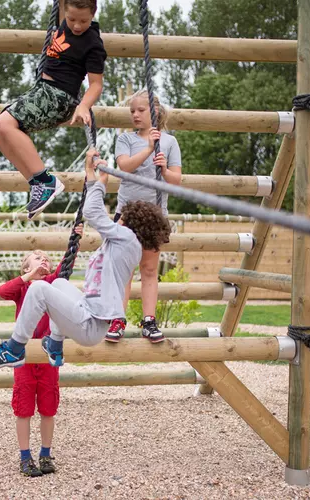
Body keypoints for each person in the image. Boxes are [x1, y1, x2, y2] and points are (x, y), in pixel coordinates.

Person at [0, 148, 171, 369]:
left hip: (90, 326)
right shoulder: (124, 242)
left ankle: (14, 349)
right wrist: (92, 177)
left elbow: (92, 212)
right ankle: (55, 345)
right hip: (89, 314)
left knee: (38, 289)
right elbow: (94, 212)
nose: (116, 220)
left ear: (129, 224)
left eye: (121, 218)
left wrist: (99, 183)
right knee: (58, 283)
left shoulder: (126, 238)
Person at [0, 0, 106, 219]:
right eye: (71, 19)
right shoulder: (63, 22)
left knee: (5, 124)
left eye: (84, 21)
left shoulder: (92, 44)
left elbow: (96, 84)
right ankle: (37, 184)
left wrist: (84, 106)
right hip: (42, 90)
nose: (77, 26)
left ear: (93, 14)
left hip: (59, 96)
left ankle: (46, 182)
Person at [0, 225, 83, 477]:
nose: (43, 259)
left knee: (48, 409)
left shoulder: (51, 284)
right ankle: (25, 457)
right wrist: (29, 276)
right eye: (37, 257)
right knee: (23, 409)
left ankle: (45, 453)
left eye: (46, 258)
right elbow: (3, 291)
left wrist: (75, 238)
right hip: (24, 359)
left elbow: (65, 265)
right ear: (26, 268)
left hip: (47, 357)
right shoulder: (22, 288)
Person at [105, 91, 182, 343]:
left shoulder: (169, 142)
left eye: (141, 110)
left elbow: (176, 180)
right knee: (124, 270)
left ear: (155, 112)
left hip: (154, 214)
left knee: (149, 269)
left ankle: (149, 321)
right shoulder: (125, 139)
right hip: (128, 214)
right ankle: (118, 318)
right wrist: (149, 148)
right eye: (132, 111)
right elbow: (124, 168)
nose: (135, 115)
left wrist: (163, 168)